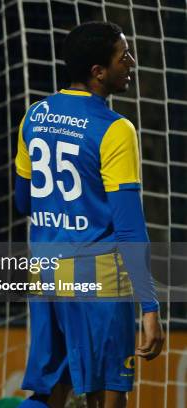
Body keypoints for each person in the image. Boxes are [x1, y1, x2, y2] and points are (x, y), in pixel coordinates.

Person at [13, 22, 165, 408]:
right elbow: (130, 227)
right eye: (123, 56)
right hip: (97, 277)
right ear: (98, 72)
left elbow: (23, 203)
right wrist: (150, 307)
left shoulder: (34, 116)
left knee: (50, 387)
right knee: (107, 391)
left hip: (44, 271)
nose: (130, 63)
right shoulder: (114, 129)